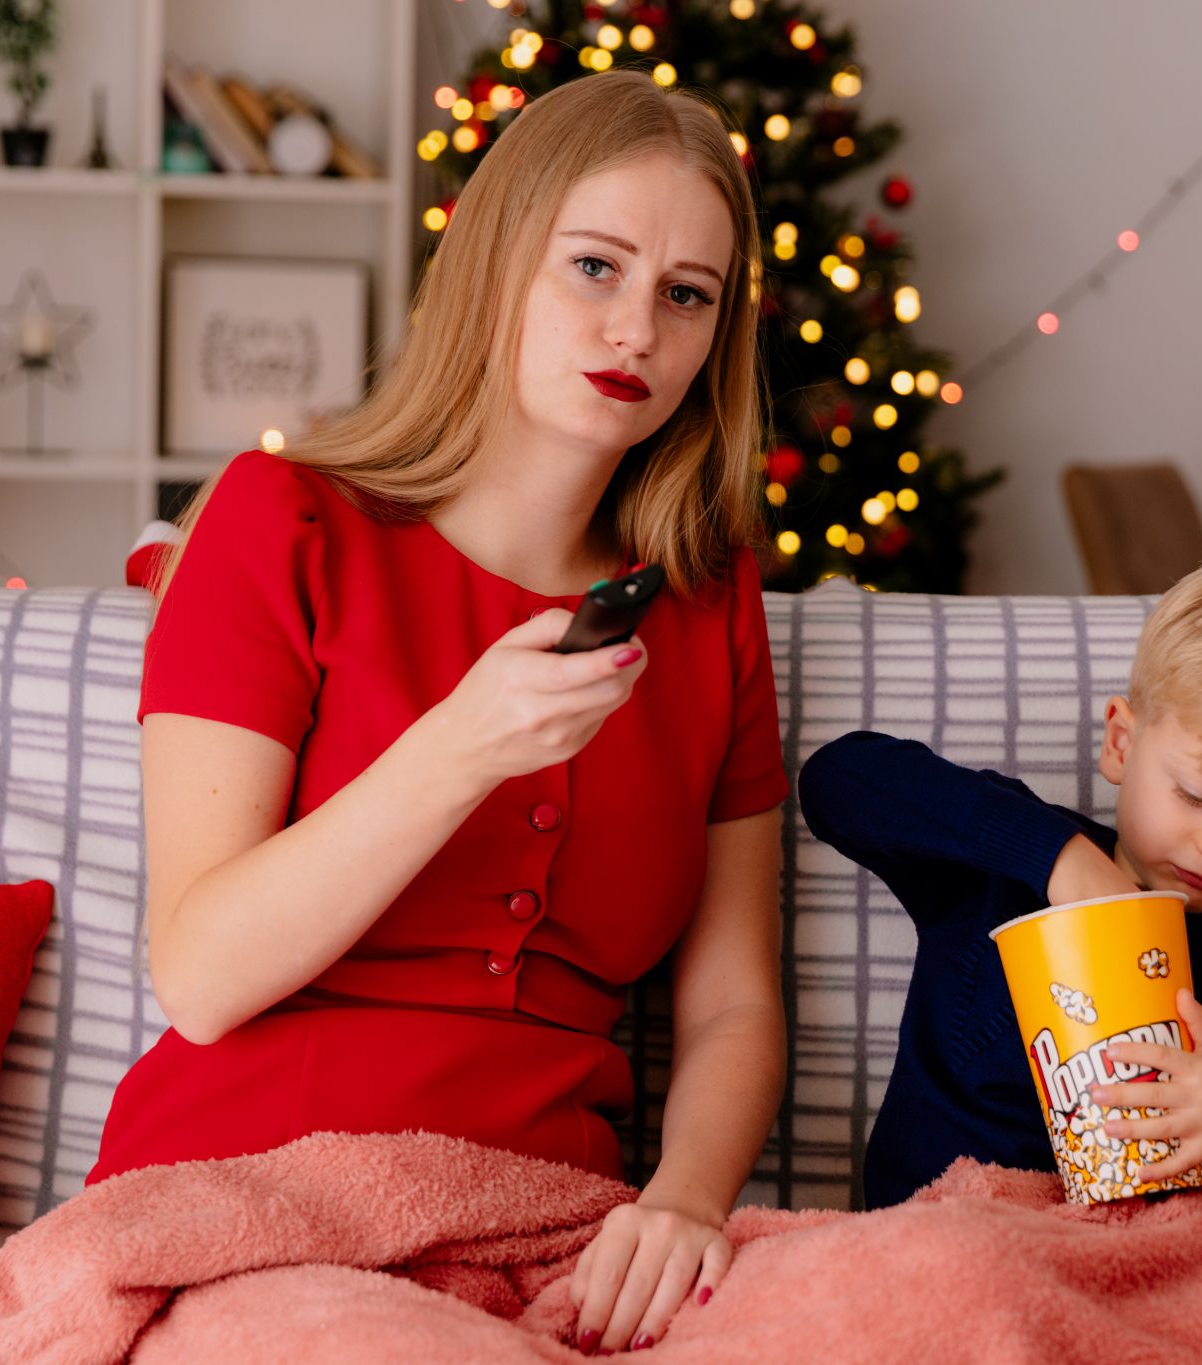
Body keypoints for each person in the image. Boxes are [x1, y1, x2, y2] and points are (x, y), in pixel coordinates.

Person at [90, 71, 788, 1356]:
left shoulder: (704, 605)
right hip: (257, 1203)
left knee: (948, 1295)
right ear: (497, 260)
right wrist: (461, 746)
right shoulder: (279, 520)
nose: (635, 328)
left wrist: (686, 1205)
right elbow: (199, 974)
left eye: (685, 295)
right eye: (595, 266)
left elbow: (732, 1004)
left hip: (553, 1231)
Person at [798, 549, 1202, 1211]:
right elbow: (838, 779)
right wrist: (1061, 860)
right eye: (1197, 795)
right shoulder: (1000, 864)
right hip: (955, 1244)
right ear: (1121, 743)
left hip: (1171, 1269)